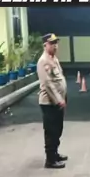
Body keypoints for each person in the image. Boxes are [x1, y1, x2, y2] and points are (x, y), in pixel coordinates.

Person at [37, 33, 68, 169]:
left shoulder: (53, 59)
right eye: (52, 43)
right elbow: (48, 84)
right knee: (51, 131)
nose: (55, 46)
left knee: (58, 129)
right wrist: (58, 99)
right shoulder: (43, 61)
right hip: (49, 103)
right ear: (45, 45)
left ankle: (55, 153)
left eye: (56, 43)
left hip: (57, 102)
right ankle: (50, 160)